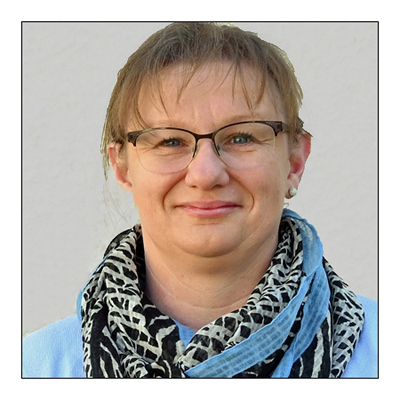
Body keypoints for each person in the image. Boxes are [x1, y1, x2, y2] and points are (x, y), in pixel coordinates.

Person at [23, 22, 377, 378]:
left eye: (241, 137)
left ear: (295, 161)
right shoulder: (34, 368)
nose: (205, 174)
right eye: (170, 141)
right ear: (123, 167)